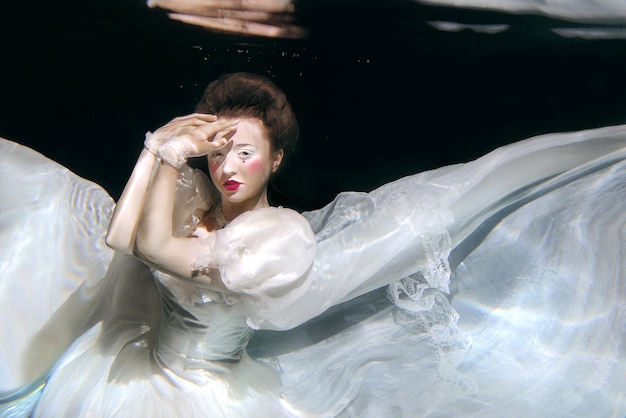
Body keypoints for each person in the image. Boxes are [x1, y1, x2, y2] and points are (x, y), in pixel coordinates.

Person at [1, 72, 625, 418]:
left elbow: (153, 247)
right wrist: (160, 146)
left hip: (200, 396)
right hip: (139, 367)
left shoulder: (275, 240)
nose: (227, 167)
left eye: (245, 152)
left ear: (275, 160)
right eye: (218, 152)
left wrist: (165, 153)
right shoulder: (191, 198)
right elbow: (123, 240)